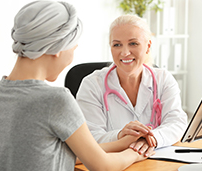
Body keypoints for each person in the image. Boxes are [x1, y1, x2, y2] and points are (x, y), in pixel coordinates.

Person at [0, 1, 154, 171]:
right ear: (58, 47)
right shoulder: (55, 100)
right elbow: (103, 166)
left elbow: (62, 153)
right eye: (73, 49)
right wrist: (138, 152)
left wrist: (121, 144)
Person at [77, 15, 188, 154]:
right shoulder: (92, 85)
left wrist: (150, 139)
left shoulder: (163, 79)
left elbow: (177, 123)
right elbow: (89, 137)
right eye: (117, 45)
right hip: (111, 163)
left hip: (154, 161)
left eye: (133, 43)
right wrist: (120, 136)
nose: (125, 52)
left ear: (148, 46)